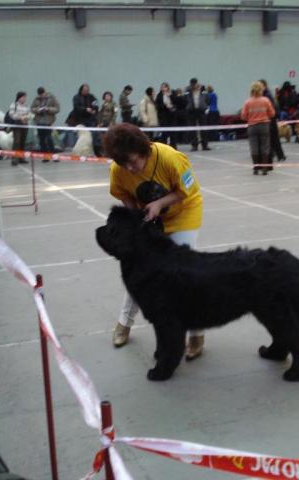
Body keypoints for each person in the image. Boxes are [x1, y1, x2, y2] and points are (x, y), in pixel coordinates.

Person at [104, 123, 205, 360]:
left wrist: (159, 204)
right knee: (140, 272)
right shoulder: (118, 170)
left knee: (183, 274)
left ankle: (197, 333)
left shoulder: (170, 158)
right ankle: (124, 323)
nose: (129, 168)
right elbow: (125, 196)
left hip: (183, 214)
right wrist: (137, 220)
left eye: (133, 162)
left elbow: (186, 192)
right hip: (149, 217)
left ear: (144, 150)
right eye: (123, 164)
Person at [241, 81, 276, 176]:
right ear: (261, 90)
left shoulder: (248, 102)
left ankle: (256, 167)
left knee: (254, 147)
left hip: (252, 126)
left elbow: (243, 116)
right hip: (264, 125)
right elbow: (272, 113)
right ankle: (264, 168)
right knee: (265, 146)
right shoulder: (265, 100)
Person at [260, 79, 285, 161]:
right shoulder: (267, 94)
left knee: (272, 138)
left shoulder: (266, 96)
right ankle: (279, 155)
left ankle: (276, 155)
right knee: (274, 139)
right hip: (271, 118)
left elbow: (271, 108)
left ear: (264, 86)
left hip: (270, 119)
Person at [31, 86, 60, 154]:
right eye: (40, 95)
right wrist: (37, 110)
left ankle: (53, 153)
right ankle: (44, 155)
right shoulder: (36, 99)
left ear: (45, 92)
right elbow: (32, 108)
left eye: (42, 94)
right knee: (41, 139)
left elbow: (57, 109)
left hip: (48, 121)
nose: (41, 96)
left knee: (49, 138)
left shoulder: (52, 98)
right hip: (39, 121)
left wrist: (48, 109)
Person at [185, 78, 210, 151]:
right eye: (192, 84)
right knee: (192, 129)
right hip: (191, 111)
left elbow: (207, 100)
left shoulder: (203, 90)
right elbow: (184, 99)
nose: (193, 85)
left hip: (201, 111)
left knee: (203, 128)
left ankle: (205, 145)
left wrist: (205, 106)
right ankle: (194, 145)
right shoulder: (188, 91)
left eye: (194, 84)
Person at [8, 91, 30, 166]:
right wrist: (20, 117)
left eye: (25, 97)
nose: (24, 99)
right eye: (23, 97)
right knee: (16, 142)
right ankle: (14, 159)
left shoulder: (26, 106)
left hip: (25, 124)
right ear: (19, 97)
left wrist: (27, 117)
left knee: (22, 142)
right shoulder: (14, 105)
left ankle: (22, 158)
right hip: (17, 124)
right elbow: (11, 114)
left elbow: (29, 114)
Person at [155, 82, 178, 150]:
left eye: (164, 87)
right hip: (163, 116)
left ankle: (173, 146)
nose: (163, 88)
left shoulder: (172, 94)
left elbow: (176, 101)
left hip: (172, 115)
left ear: (167, 87)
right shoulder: (159, 95)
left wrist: (170, 96)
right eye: (162, 87)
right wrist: (164, 106)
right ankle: (163, 147)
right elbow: (158, 105)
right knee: (164, 132)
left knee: (173, 133)